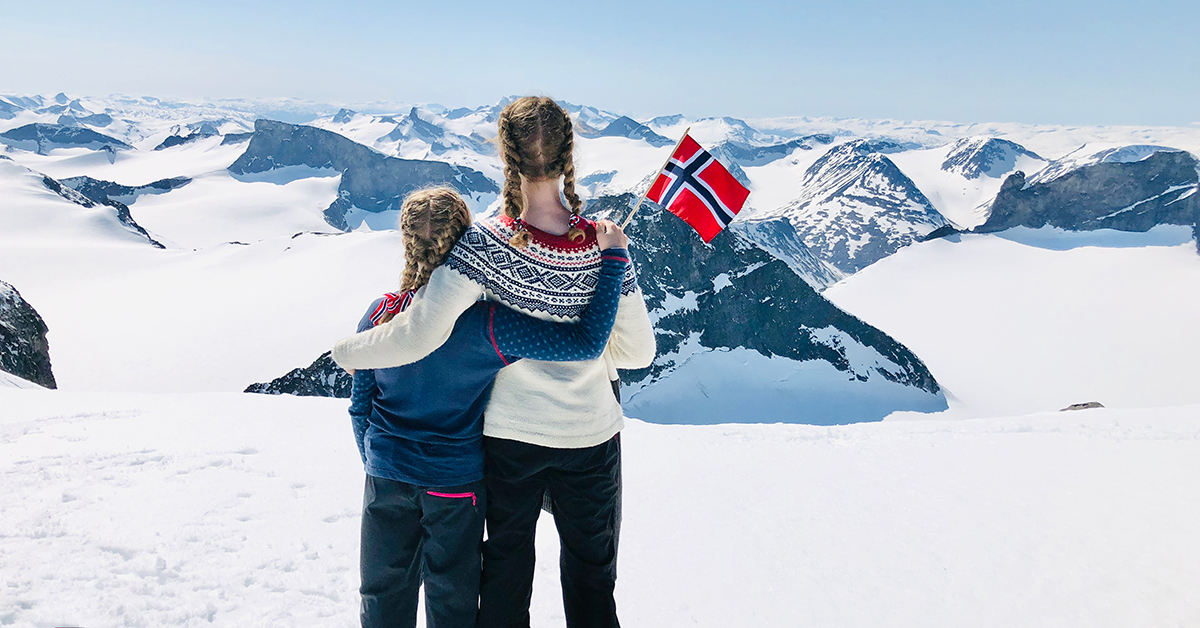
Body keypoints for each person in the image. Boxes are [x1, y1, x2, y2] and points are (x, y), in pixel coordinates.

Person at [332, 97, 656, 628]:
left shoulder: (482, 244)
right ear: (569, 152)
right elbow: (638, 353)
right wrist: (610, 267)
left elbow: (419, 334)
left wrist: (346, 351)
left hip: (509, 437)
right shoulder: (605, 244)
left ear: (505, 158)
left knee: (503, 576)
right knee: (591, 577)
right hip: (590, 435)